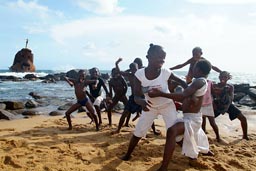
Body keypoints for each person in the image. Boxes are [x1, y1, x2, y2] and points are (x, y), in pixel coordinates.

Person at [121, 44, 187, 161]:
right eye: (158, 57)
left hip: (167, 106)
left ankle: (189, 153)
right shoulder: (139, 74)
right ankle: (127, 155)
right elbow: (136, 95)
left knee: (176, 134)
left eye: (163, 57)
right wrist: (141, 101)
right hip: (149, 107)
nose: (162, 60)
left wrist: (190, 92)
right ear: (148, 57)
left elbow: (182, 82)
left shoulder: (165, 72)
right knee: (139, 132)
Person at [148, 59, 214, 171]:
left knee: (172, 131)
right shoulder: (198, 81)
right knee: (180, 136)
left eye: (194, 67)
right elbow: (188, 96)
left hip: (193, 119)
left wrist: (161, 94)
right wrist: (189, 95)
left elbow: (183, 96)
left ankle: (164, 168)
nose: (192, 69)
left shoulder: (199, 81)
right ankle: (197, 154)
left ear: (197, 69)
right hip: (190, 116)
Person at [212, 71, 249, 140]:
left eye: (225, 77)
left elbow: (231, 98)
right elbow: (211, 96)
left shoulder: (230, 87)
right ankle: (204, 134)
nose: (223, 78)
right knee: (205, 119)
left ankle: (245, 136)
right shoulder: (214, 86)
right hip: (217, 105)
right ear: (219, 77)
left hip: (227, 105)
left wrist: (225, 107)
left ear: (228, 78)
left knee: (243, 118)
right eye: (222, 77)